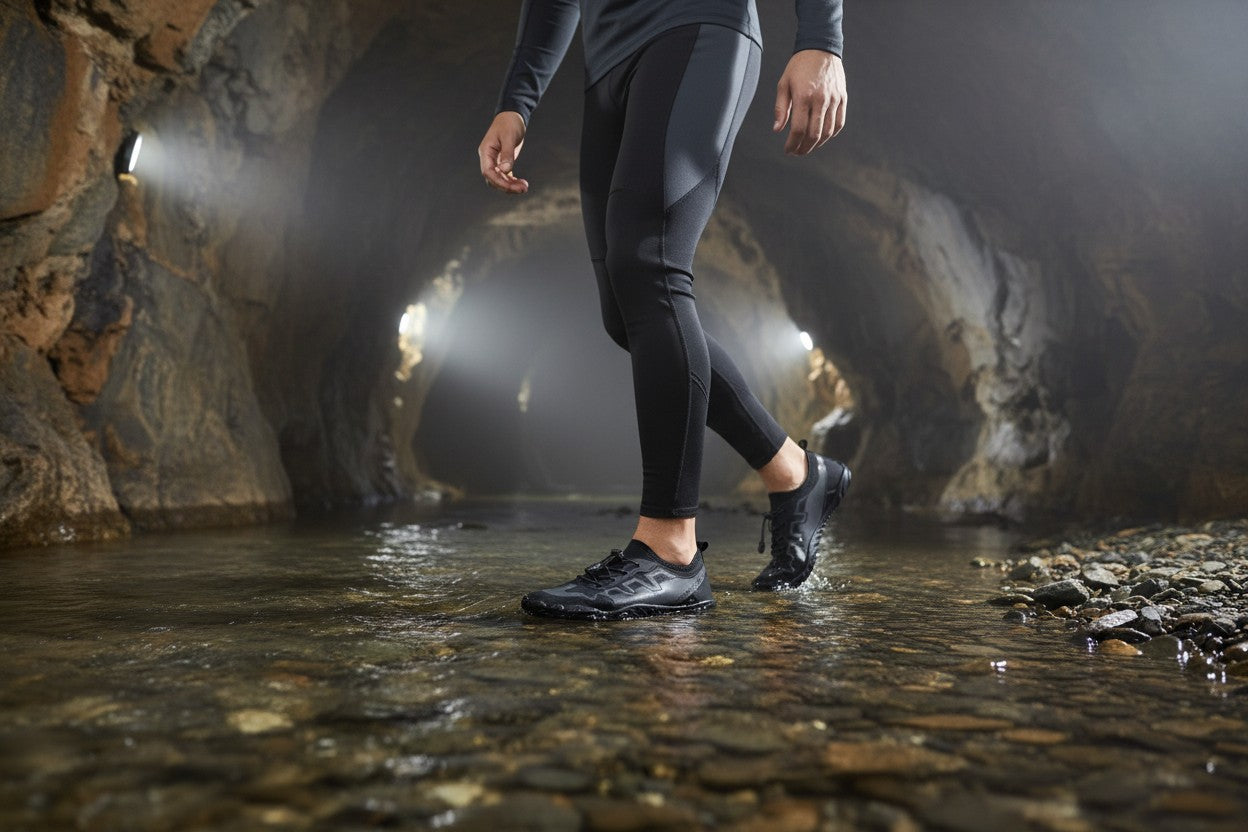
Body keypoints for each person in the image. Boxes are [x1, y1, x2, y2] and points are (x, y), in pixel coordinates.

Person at [477, 0, 851, 619]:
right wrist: (517, 100)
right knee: (625, 312)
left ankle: (670, 551)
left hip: (699, 26)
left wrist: (822, 38)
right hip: (609, 64)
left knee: (650, 265)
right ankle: (796, 472)